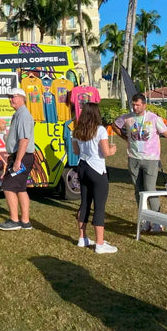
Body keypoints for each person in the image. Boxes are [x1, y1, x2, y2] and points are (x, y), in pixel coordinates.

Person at [112, 93, 167, 232]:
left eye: (137, 105)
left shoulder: (154, 119)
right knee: (138, 191)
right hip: (133, 158)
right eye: (133, 104)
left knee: (150, 190)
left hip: (151, 160)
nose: (135, 107)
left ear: (144, 105)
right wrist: (125, 137)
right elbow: (114, 125)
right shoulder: (128, 117)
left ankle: (157, 221)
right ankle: (144, 220)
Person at [72, 103, 118, 254]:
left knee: (84, 203)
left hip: (82, 167)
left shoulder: (77, 130)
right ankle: (99, 243)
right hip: (96, 169)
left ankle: (82, 237)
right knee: (99, 206)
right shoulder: (100, 130)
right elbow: (105, 153)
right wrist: (112, 150)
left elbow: (76, 151)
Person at [0, 88, 35, 231]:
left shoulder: (23, 115)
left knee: (7, 186)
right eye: (10, 97)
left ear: (21, 98)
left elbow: (24, 139)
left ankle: (14, 220)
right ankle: (25, 221)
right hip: (21, 156)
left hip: (23, 157)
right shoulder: (18, 115)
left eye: (13, 97)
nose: (10, 100)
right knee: (20, 188)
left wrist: (18, 161)